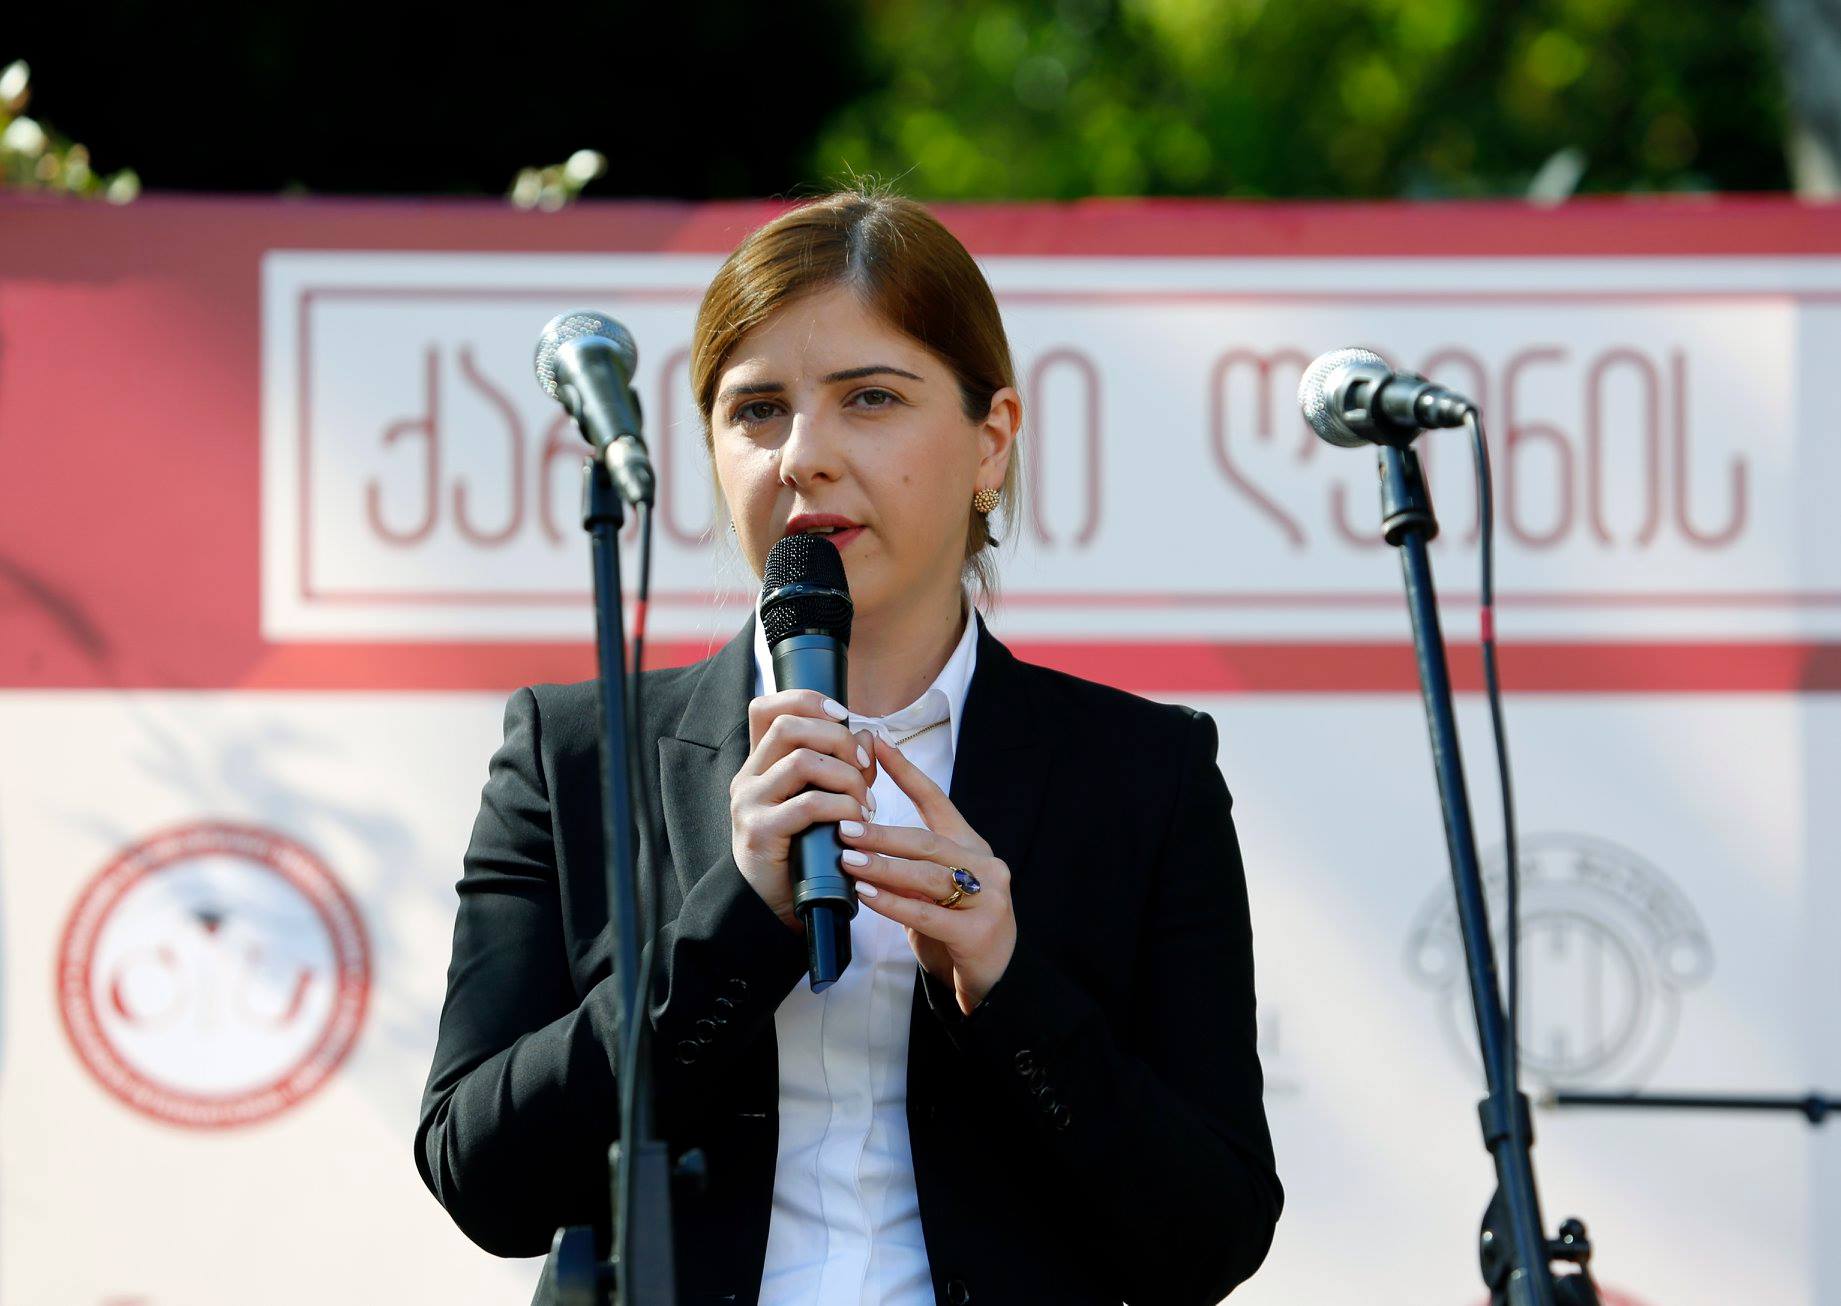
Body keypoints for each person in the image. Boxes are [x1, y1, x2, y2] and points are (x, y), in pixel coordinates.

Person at [415, 188, 1282, 1306]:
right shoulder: (573, 751)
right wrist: (731, 922)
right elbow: (483, 1179)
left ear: (991, 440)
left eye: (870, 397)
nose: (802, 456)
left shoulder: (1141, 772)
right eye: (757, 409)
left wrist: (1006, 986)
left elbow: (1210, 1237)